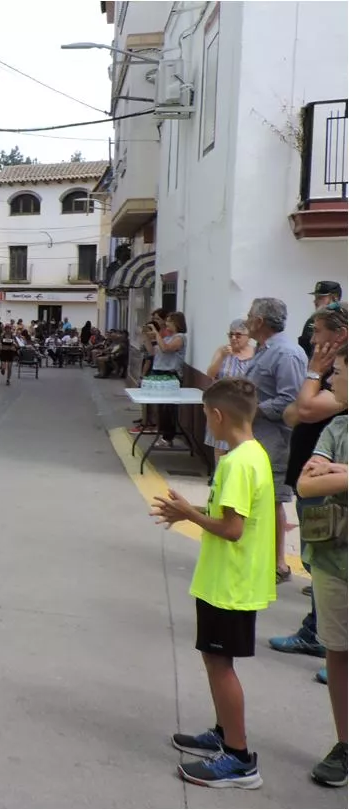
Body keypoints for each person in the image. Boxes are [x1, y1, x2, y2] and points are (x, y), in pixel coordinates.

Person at [150, 377, 275, 789]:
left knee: (221, 665)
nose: (207, 422)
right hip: (230, 581)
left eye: (206, 415)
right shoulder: (253, 454)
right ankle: (223, 734)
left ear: (218, 416)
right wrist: (189, 511)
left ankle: (239, 759)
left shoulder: (238, 463)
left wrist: (188, 513)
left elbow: (232, 528)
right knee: (214, 659)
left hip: (231, 584)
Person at [272, 304, 348, 665]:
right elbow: (294, 411)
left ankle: (325, 640)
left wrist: (315, 372)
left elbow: (303, 410)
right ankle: (320, 633)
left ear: (341, 334)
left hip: (331, 488)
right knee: (318, 557)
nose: (313, 339)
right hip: (315, 470)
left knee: (329, 558)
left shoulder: (338, 373)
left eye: (318, 332)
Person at [296, 343, 347, 788]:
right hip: (334, 560)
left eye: (339, 371)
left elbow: (320, 478)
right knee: (338, 653)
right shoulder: (337, 428)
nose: (331, 380)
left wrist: (336, 475)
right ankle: (344, 744)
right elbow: (306, 484)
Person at [245, 297, 307, 583]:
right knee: (258, 501)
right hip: (257, 439)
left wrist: (252, 410)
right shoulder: (265, 350)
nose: (246, 320)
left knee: (272, 502)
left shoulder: (286, 353)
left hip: (276, 442)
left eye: (249, 316)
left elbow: (291, 400)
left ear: (259, 321)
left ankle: (278, 565)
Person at [204, 319, 256, 464]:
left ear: (248, 337)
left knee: (239, 444)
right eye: (231, 335)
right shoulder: (223, 351)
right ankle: (218, 474)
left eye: (238, 335)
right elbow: (210, 374)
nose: (234, 338)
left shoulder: (255, 353)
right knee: (220, 446)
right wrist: (221, 357)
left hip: (242, 406)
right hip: (223, 404)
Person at [145, 311, 188, 448]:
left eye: (169, 321)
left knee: (168, 408)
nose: (166, 323)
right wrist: (146, 337)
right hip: (159, 373)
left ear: (177, 323)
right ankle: (164, 434)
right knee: (161, 407)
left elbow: (165, 349)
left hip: (171, 375)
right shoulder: (169, 337)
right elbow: (153, 352)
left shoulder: (180, 338)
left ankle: (168, 437)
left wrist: (157, 334)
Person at [300, 281, 343, 358]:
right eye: (315, 298)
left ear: (334, 298)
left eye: (320, 298)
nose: (315, 301)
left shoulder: (343, 321)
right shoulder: (311, 321)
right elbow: (304, 349)